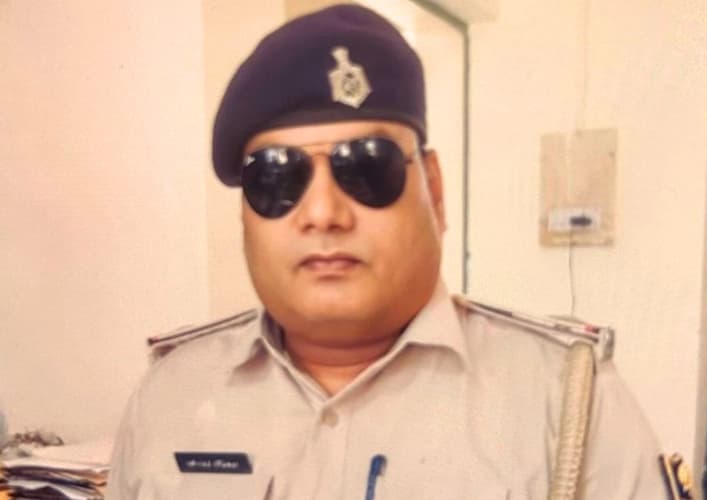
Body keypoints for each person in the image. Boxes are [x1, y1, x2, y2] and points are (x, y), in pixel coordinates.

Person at [107, 4, 671, 499]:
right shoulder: (170, 396)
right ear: (244, 215)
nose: (323, 212)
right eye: (276, 177)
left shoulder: (570, 402)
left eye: (367, 167)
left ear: (435, 191)